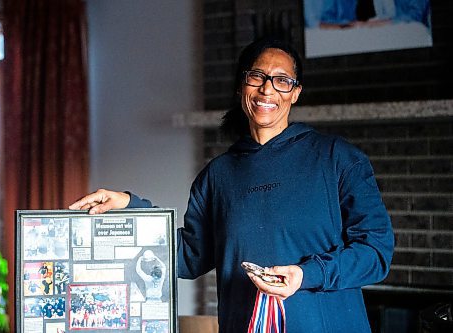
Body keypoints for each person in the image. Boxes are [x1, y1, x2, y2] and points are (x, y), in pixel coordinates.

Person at [69, 36, 394, 332]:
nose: (267, 90)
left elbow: (376, 253)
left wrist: (305, 274)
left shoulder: (337, 158)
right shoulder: (217, 176)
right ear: (242, 86)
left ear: (295, 93)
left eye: (282, 81)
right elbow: (189, 257)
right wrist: (130, 206)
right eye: (257, 77)